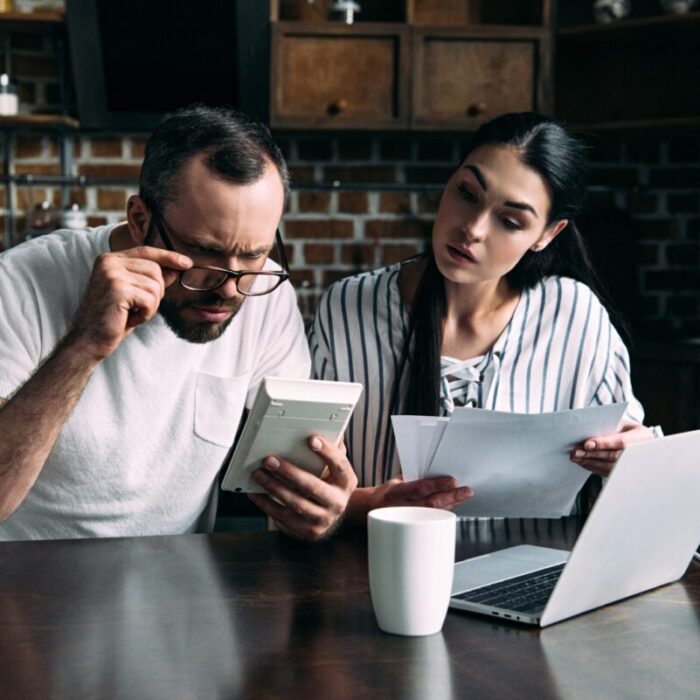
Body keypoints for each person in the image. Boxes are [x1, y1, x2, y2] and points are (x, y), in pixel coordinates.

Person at [0, 105, 356, 541]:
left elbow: (291, 478)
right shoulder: (19, 283)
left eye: (253, 253)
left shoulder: (264, 295)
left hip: (178, 580)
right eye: (203, 251)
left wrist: (320, 507)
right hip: (27, 585)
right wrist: (84, 344)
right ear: (139, 220)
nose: (230, 288)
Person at [309, 112, 656, 522]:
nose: (472, 229)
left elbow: (639, 470)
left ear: (547, 234)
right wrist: (365, 505)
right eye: (468, 194)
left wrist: (636, 457)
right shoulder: (347, 306)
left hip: (532, 574)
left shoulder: (575, 316)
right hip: (373, 572)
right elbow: (301, 489)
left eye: (509, 221)